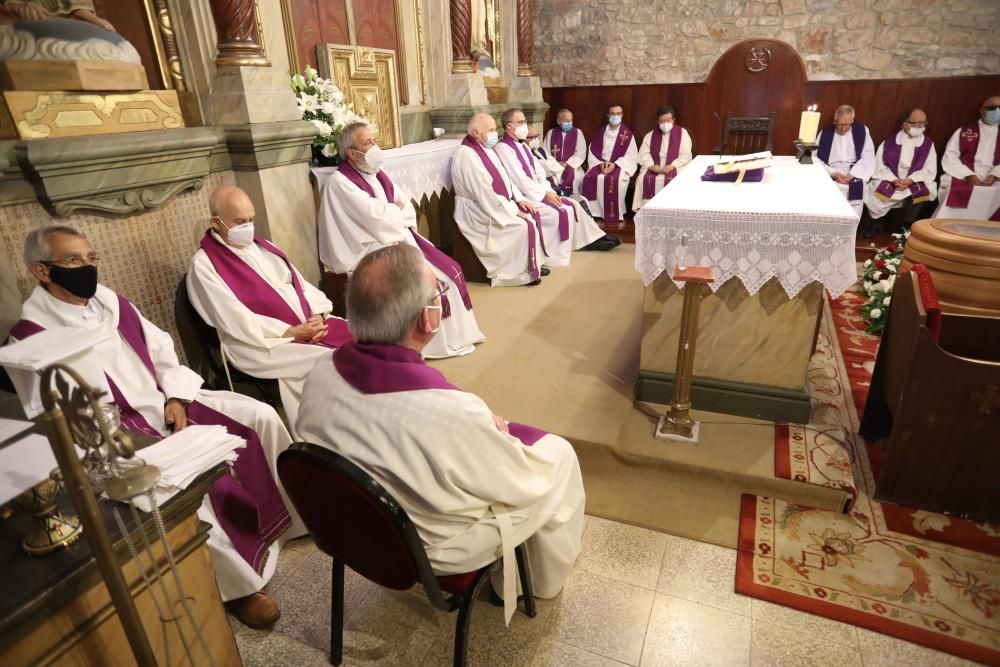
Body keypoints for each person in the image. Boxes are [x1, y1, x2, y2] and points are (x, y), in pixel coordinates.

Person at [7, 225, 305, 629]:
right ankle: (241, 587)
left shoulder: (111, 303)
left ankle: (294, 518)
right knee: (181, 482)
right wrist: (113, 433)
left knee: (260, 416)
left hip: (165, 402)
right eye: (73, 260)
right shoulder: (30, 336)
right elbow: (50, 412)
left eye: (91, 258)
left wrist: (177, 397)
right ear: (42, 271)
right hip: (116, 434)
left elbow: (162, 350)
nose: (87, 267)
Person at [295, 244, 585, 623]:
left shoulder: (320, 370)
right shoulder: (451, 411)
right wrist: (494, 435)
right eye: (438, 294)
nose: (440, 300)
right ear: (427, 320)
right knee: (558, 456)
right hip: (428, 549)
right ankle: (535, 583)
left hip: (346, 529)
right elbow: (517, 484)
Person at [186, 186, 353, 432]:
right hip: (258, 344)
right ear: (215, 222)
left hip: (306, 326)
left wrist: (318, 315)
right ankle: (331, 430)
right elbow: (235, 320)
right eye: (240, 222)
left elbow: (301, 285)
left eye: (251, 220)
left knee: (361, 336)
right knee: (331, 360)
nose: (248, 227)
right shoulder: (204, 266)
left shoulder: (264, 248)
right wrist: (293, 332)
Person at [317, 122, 484, 357]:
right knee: (429, 283)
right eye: (368, 143)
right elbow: (377, 218)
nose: (374, 146)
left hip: (395, 238)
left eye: (374, 140)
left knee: (450, 272)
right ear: (351, 153)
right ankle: (428, 343)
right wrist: (393, 214)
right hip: (368, 249)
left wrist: (392, 214)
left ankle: (458, 337)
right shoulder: (340, 182)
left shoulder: (377, 175)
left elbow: (405, 207)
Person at [494, 108, 618, 265]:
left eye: (525, 121)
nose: (524, 125)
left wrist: (548, 190)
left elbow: (539, 172)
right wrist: (544, 194)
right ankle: (551, 255)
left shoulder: (523, 146)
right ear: (509, 126)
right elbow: (520, 179)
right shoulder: (503, 148)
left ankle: (589, 240)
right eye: (520, 122)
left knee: (571, 205)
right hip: (525, 196)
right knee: (561, 210)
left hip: (537, 191)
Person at [451, 112, 547, 287]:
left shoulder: (487, 149)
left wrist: (518, 199)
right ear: (476, 133)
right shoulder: (466, 155)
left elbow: (505, 178)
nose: (495, 134)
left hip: (495, 203)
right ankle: (515, 273)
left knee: (530, 218)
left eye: (495, 129)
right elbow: (484, 192)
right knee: (522, 226)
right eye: (491, 130)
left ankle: (531, 265)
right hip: (477, 210)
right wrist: (512, 210)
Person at [861, 109, 938, 236]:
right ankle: (874, 222)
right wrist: (894, 179)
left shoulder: (928, 145)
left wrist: (910, 180)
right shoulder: (890, 142)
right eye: (917, 123)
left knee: (925, 190)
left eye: (923, 123)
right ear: (906, 124)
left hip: (913, 181)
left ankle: (906, 226)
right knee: (876, 188)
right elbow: (879, 165)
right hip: (891, 179)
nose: (921, 126)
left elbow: (929, 169)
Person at [936, 95, 1000, 221]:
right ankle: (948, 228)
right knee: (956, 190)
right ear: (981, 110)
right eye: (992, 108)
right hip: (964, 176)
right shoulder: (964, 131)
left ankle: (988, 231)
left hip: (993, 179)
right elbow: (950, 157)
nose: (997, 111)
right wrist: (969, 176)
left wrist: (995, 174)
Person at [583, 103, 638, 229]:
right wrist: (600, 164)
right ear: (608, 115)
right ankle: (595, 212)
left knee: (617, 179)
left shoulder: (627, 134)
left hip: (619, 165)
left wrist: (615, 164)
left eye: (618, 113)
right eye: (612, 113)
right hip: (600, 163)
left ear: (622, 115)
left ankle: (614, 212)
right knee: (591, 177)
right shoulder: (601, 132)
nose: (615, 116)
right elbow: (592, 151)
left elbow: (631, 156)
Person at [815, 105, 876, 217]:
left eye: (847, 124)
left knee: (857, 195)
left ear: (852, 121)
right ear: (834, 121)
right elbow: (815, 159)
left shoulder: (862, 131)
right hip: (832, 171)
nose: (843, 128)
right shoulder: (825, 134)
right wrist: (833, 173)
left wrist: (854, 174)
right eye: (840, 124)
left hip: (855, 171)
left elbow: (868, 156)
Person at [632, 106, 693, 211]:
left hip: (676, 166)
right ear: (657, 121)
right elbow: (643, 154)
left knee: (679, 181)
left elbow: (686, 155)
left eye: (668, 120)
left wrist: (672, 166)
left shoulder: (683, 133)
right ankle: (646, 211)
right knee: (641, 179)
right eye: (662, 121)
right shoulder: (650, 135)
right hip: (655, 166)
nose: (665, 124)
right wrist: (651, 166)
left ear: (673, 120)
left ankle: (674, 210)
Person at [543, 109, 587, 196]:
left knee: (577, 178)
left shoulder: (578, 133)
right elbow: (545, 152)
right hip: (554, 166)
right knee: (550, 177)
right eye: (566, 121)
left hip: (573, 166)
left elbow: (580, 153)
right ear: (559, 121)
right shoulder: (551, 133)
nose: (569, 123)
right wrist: (555, 163)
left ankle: (572, 200)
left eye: (570, 120)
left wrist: (567, 164)